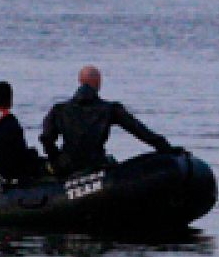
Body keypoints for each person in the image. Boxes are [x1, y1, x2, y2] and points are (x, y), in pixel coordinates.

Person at [41, 65, 177, 176]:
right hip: (96, 165)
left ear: (79, 82)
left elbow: (46, 138)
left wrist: (56, 159)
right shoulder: (110, 109)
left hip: (67, 165)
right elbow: (139, 130)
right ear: (98, 83)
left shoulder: (59, 110)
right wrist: (166, 148)